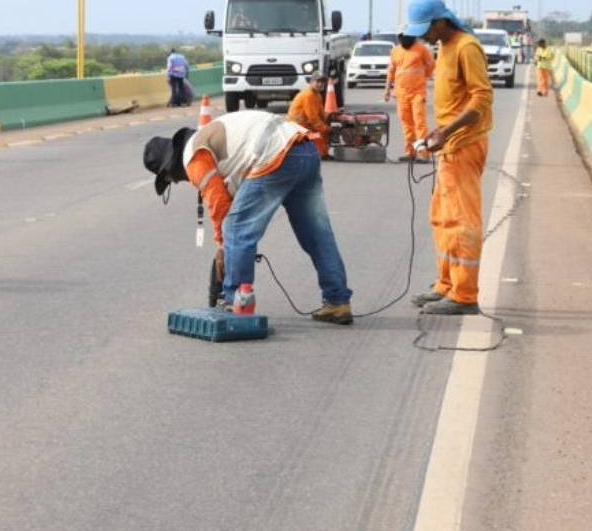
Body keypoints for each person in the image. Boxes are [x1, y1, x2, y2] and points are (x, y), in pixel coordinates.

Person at [143, 110, 353, 324]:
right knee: (316, 234)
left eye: (170, 179)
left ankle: (236, 302)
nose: (177, 182)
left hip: (277, 155)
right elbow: (236, 191)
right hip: (304, 149)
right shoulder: (208, 139)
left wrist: (222, 246)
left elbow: (219, 204)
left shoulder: (193, 157)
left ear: (170, 166)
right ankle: (337, 301)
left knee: (235, 228)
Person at [404, 0, 492, 316]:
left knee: (462, 220)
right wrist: (436, 134)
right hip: (449, 145)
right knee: (441, 217)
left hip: (464, 146)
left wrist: (446, 132)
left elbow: (481, 99)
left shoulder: (466, 47)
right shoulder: (444, 48)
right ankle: (446, 284)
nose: (423, 36)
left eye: (426, 29)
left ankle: (465, 294)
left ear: (442, 21)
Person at [384, 30, 435, 162]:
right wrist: (387, 89)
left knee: (419, 122)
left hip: (418, 93)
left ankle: (423, 153)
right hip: (401, 94)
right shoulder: (395, 51)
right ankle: (410, 152)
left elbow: (430, 65)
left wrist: (424, 78)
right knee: (406, 124)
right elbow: (391, 70)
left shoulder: (421, 49)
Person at [287, 71, 337, 159]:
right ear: (311, 82)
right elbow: (313, 118)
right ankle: (321, 155)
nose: (320, 84)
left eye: (322, 82)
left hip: (307, 124)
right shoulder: (308, 95)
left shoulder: (317, 95)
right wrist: (326, 129)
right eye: (318, 81)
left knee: (324, 130)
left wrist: (332, 116)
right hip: (298, 127)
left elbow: (321, 114)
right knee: (319, 134)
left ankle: (324, 153)